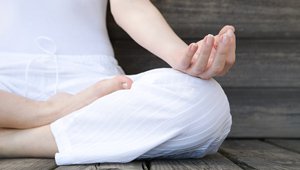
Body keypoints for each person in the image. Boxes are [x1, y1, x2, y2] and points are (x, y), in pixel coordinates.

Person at [0, 0, 236, 165]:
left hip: (92, 82)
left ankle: (8, 141)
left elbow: (131, 5)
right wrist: (49, 110)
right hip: (4, 86)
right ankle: (45, 114)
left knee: (205, 101)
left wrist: (186, 59)